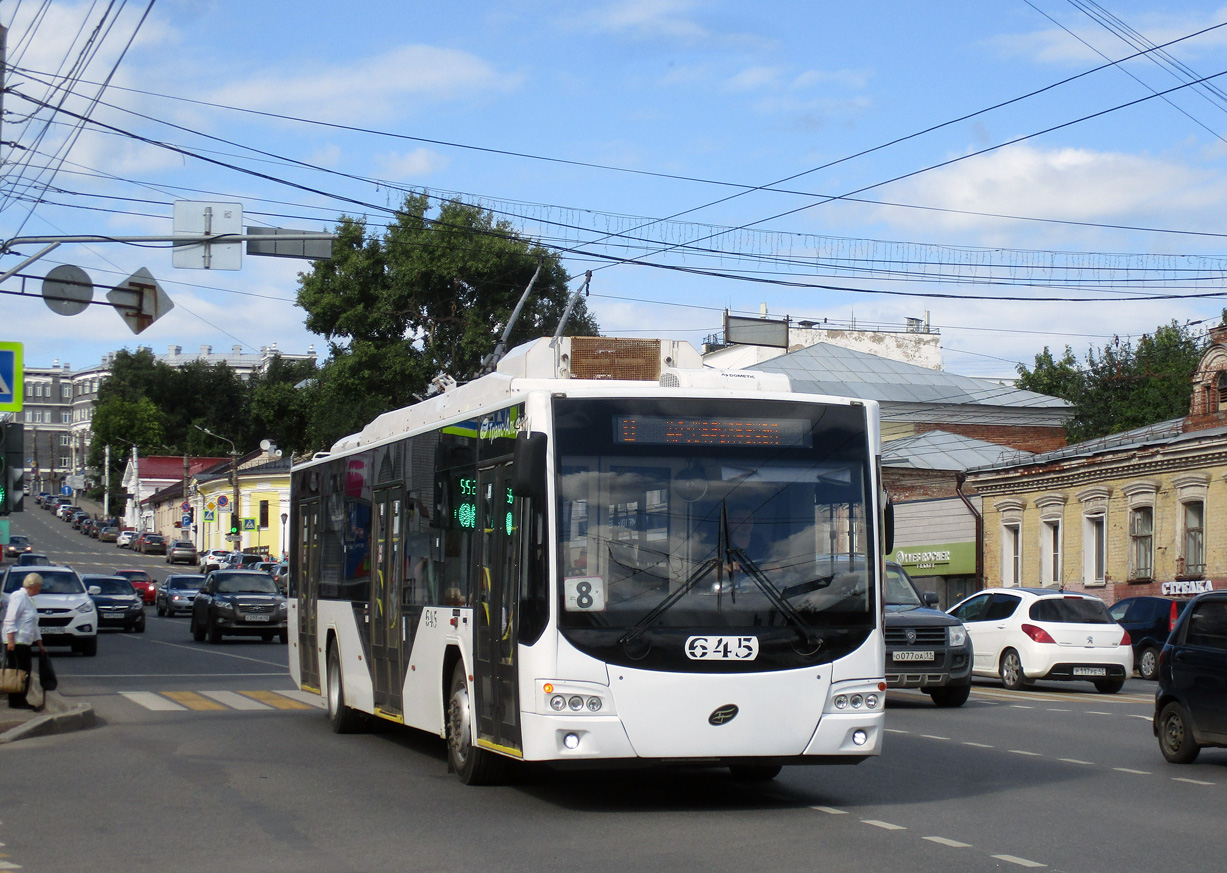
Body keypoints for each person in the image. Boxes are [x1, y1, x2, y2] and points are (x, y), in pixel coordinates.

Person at [4, 573, 48, 709]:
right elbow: (10, 619)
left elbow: (33, 625)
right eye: (39, 586)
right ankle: (16, 701)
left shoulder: (29, 600)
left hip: (24, 642)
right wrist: (10, 640)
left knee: (24, 671)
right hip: (16, 642)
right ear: (33, 585)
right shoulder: (19, 596)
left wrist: (40, 644)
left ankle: (19, 699)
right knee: (18, 672)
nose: (40, 590)